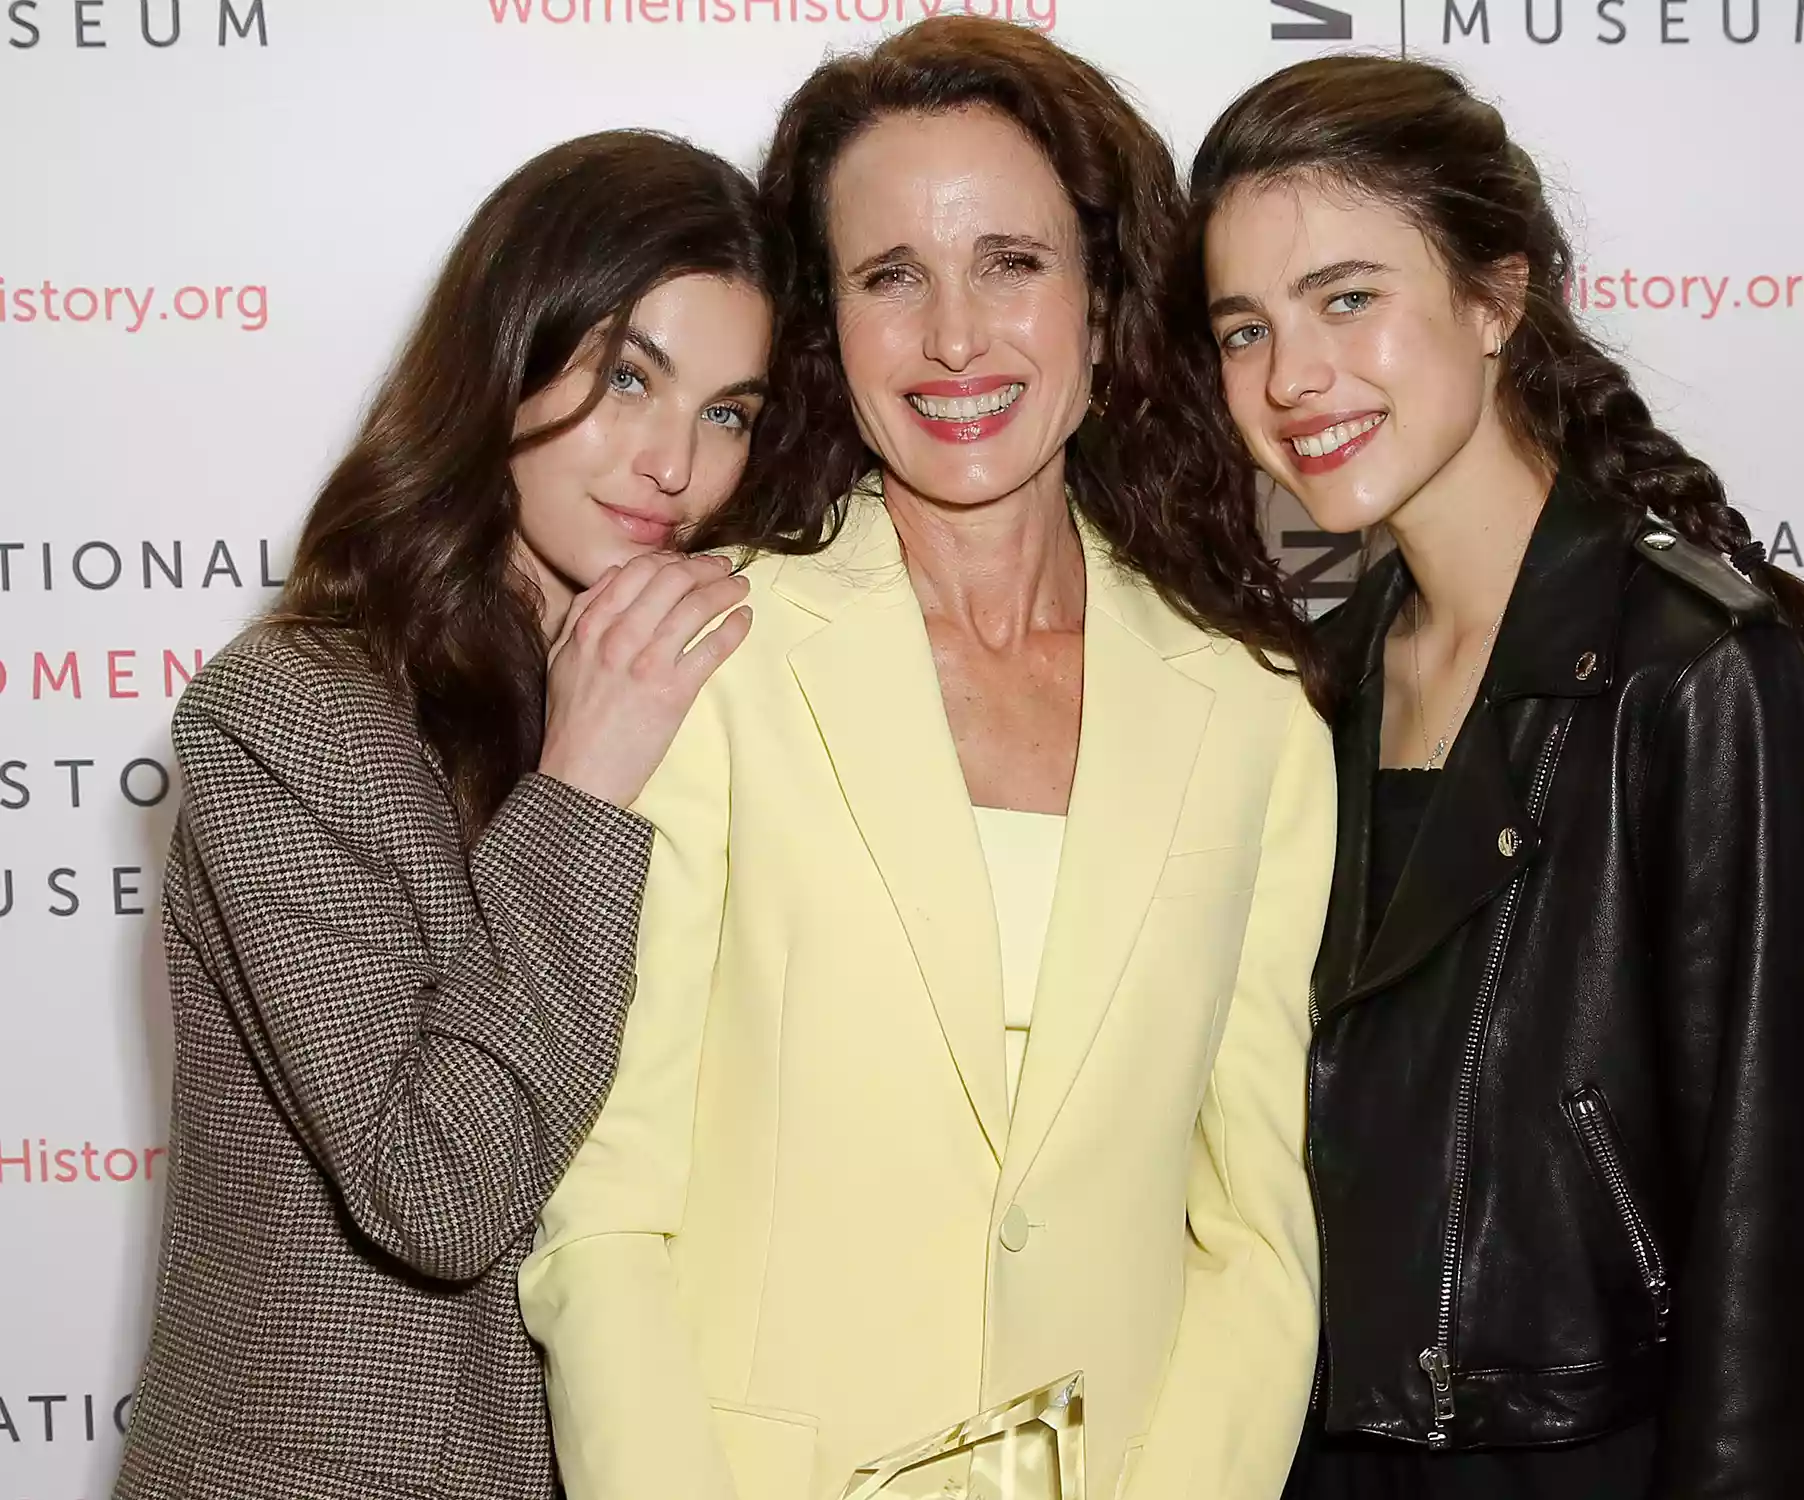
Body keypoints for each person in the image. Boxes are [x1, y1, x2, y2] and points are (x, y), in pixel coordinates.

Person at [518, 19, 1335, 1500]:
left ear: (1103, 305)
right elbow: (606, 1217)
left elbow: (1256, 1235)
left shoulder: (1256, 716)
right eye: (893, 276)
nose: (956, 337)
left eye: (1012, 263)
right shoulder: (712, 660)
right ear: (829, 329)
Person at [1185, 55, 1804, 1500]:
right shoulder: (1303, 687)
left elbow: (1779, 1233)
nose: (1291, 377)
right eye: (1243, 326)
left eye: (1349, 297)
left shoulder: (1689, 673)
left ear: (1498, 297)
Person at [113, 130, 772, 1500]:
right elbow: (438, 1186)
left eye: (728, 413)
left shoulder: (719, 701)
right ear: (504, 351)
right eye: (627, 377)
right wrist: (584, 785)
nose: (672, 464)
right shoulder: (291, 714)